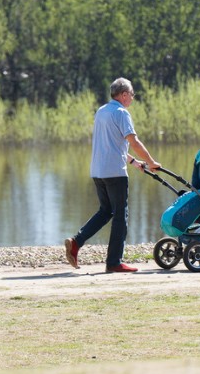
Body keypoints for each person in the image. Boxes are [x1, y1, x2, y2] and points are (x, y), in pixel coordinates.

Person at [65, 78, 160, 273]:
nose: (132, 98)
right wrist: (151, 162)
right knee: (120, 216)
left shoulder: (101, 112)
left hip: (98, 171)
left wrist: (134, 163)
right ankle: (114, 262)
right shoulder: (121, 113)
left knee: (106, 211)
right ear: (124, 95)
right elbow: (133, 142)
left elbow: (114, 145)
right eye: (132, 95)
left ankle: (76, 242)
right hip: (115, 173)